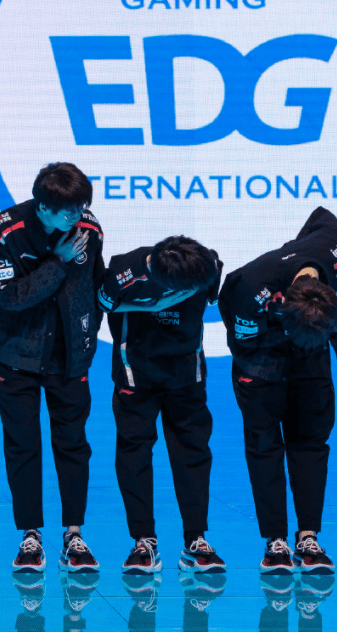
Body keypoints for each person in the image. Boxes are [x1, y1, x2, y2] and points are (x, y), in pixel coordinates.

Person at [0, 162, 104, 574]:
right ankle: (30, 535)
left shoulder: (89, 229)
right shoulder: (7, 230)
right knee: (23, 444)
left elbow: (93, 288)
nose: (78, 216)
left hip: (68, 359)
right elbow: (10, 297)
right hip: (15, 355)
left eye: (82, 206)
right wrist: (57, 261)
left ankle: (74, 534)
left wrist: (85, 342)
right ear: (43, 207)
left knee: (73, 444)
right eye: (69, 210)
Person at [219, 206, 337, 574]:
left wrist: (297, 246)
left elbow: (322, 215)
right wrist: (279, 336)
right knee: (265, 449)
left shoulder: (335, 248)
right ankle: (275, 539)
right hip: (259, 361)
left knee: (311, 444)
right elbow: (241, 339)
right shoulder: (251, 287)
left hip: (311, 355)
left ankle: (308, 536)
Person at [99, 235, 226, 574]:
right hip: (136, 373)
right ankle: (143, 540)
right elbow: (104, 303)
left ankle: (196, 539)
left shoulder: (207, 265)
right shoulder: (125, 271)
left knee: (193, 453)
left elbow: (213, 293)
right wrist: (152, 306)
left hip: (186, 373)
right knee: (134, 454)